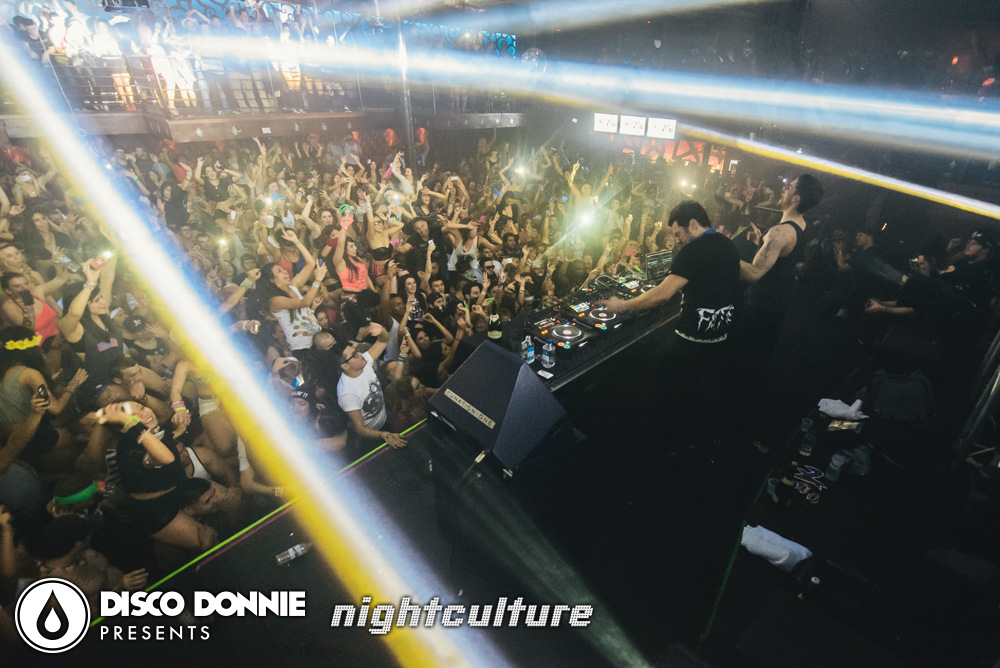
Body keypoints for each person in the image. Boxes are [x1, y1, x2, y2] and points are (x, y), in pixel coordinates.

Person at [603, 201, 741, 447]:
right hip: (720, 338)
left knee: (666, 391)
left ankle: (662, 443)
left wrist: (622, 305)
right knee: (698, 393)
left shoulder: (693, 250)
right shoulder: (728, 244)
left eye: (678, 233)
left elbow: (662, 295)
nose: (677, 240)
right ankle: (693, 438)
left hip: (690, 341)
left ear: (692, 224)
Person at [738, 173, 825, 352]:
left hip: (760, 306)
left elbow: (754, 273)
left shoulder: (780, 233)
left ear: (796, 198)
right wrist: (761, 242)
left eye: (789, 187)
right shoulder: (802, 225)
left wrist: (723, 252)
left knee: (744, 355)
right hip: (777, 305)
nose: (784, 188)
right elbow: (785, 253)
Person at [333, 322, 408, 450]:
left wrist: (381, 331)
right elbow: (359, 429)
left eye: (357, 351)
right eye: (354, 355)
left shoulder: (364, 361)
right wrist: (383, 435)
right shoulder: (347, 393)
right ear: (345, 366)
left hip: (385, 416)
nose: (360, 354)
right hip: (373, 436)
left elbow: (383, 341)